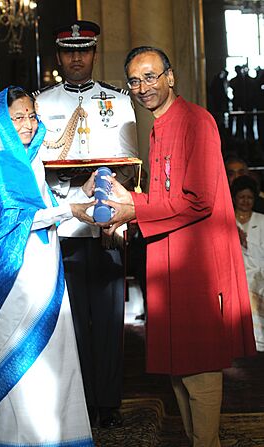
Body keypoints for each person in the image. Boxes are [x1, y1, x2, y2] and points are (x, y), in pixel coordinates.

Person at [97, 46, 256, 447]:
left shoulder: (195, 121)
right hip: (168, 261)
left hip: (197, 264)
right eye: (134, 80)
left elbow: (199, 198)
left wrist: (135, 207)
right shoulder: (157, 127)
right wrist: (129, 214)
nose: (143, 86)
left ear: (171, 77)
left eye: (151, 76)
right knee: (178, 367)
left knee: (199, 364)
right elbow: (164, 194)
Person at [0, 86, 96, 446]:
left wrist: (83, 193)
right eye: (17, 117)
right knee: (20, 367)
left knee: (54, 361)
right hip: (10, 284)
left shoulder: (30, 158)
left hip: (45, 274)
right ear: (1, 123)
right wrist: (70, 209)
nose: (26, 124)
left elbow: (47, 210)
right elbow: (14, 218)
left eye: (31, 116)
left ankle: (57, 436)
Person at [35, 20, 138, 428]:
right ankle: (78, 401)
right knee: (70, 320)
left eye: (84, 50)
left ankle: (107, 402)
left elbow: (131, 164)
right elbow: (36, 169)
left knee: (110, 318)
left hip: (105, 225)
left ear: (94, 53)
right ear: (58, 56)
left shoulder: (118, 100)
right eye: (68, 51)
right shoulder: (42, 103)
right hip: (63, 228)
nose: (76, 57)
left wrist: (110, 204)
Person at [231, 175, 264, 352]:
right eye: (241, 197)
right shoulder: (227, 220)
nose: (245, 201)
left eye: (249, 197)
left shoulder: (262, 220)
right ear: (235, 198)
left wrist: (245, 244)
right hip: (235, 275)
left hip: (259, 275)